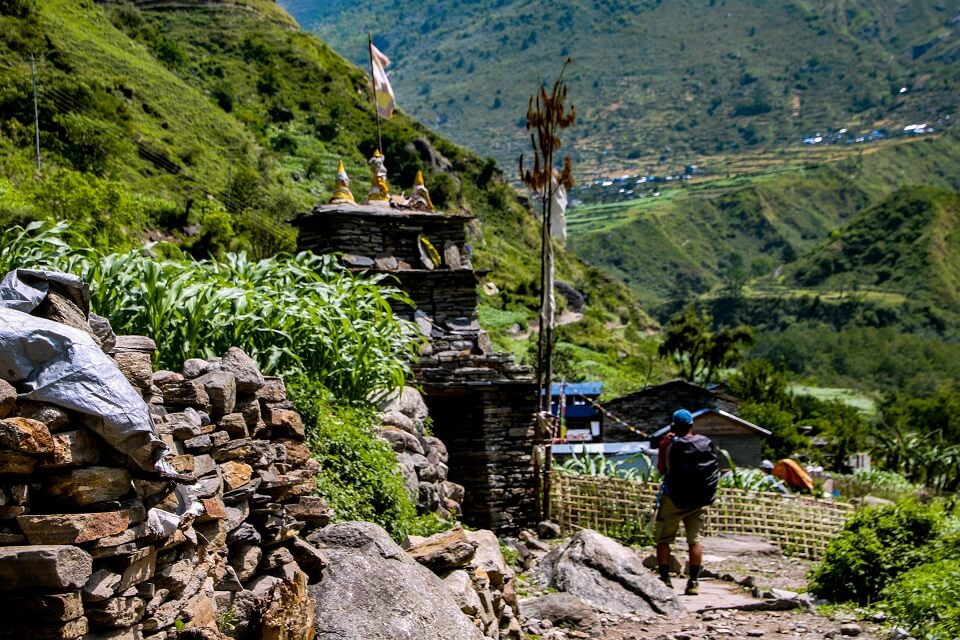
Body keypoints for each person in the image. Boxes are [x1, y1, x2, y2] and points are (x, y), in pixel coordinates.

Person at [654, 408, 720, 595]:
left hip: (673, 499)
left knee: (663, 540)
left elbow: (662, 469)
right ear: (691, 425)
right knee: (695, 541)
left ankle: (666, 579)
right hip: (698, 500)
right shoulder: (704, 442)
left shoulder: (668, 443)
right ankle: (693, 582)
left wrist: (666, 443)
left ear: (674, 425)